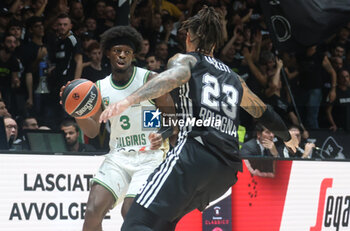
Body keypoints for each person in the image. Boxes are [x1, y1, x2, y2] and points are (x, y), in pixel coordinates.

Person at [99, 6, 298, 230]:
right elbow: (264, 112)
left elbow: (175, 76)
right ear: (214, 43)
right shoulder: (234, 78)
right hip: (226, 171)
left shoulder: (186, 60)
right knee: (162, 225)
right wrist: (287, 137)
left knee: (135, 222)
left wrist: (128, 100)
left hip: (194, 155)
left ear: (189, 37)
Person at [61, 26, 177, 230]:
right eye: (117, 50)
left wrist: (161, 134)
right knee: (92, 212)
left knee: (130, 211)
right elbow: (92, 131)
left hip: (150, 157)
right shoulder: (99, 88)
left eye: (127, 51)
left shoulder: (150, 80)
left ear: (133, 55)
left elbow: (174, 121)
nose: (122, 55)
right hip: (119, 156)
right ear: (108, 53)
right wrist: (76, 111)